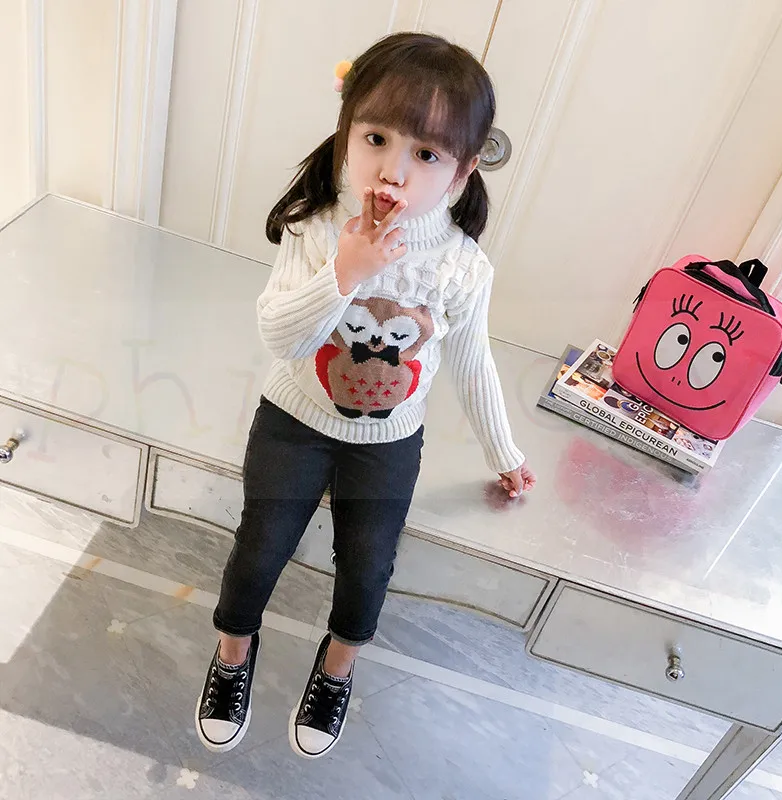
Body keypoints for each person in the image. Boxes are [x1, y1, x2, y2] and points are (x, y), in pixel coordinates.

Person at [195, 31, 536, 760]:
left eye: (427, 154)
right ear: (347, 129)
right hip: (293, 419)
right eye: (376, 138)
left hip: (387, 440)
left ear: (463, 171)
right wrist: (345, 271)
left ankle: (337, 669)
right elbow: (281, 337)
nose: (393, 170)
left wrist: (504, 452)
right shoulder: (318, 227)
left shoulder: (462, 267)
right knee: (259, 549)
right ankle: (232, 653)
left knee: (368, 567)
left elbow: (472, 361)